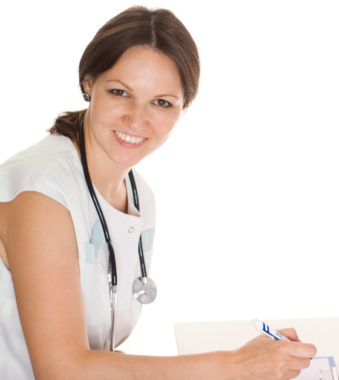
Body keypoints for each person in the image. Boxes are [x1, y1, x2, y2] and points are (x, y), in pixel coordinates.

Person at [0, 6, 315, 380]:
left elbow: (100, 354)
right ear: (88, 83)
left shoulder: (139, 195)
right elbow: (62, 369)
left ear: (184, 107)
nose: (137, 119)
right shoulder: (41, 194)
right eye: (120, 92)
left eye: (162, 102)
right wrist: (237, 365)